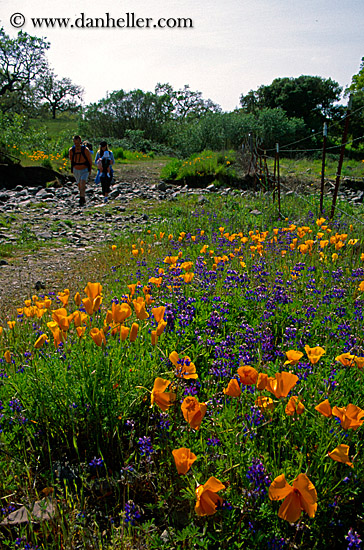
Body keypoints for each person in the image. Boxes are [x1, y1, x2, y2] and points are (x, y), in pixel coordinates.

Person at [69, 135, 93, 207]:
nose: (76, 145)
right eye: (74, 143)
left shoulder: (85, 150)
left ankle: (81, 199)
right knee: (79, 185)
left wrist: (90, 169)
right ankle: (82, 196)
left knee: (83, 184)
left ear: (80, 142)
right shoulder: (71, 150)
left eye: (77, 143)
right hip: (76, 169)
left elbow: (90, 160)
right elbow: (71, 160)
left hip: (84, 169)